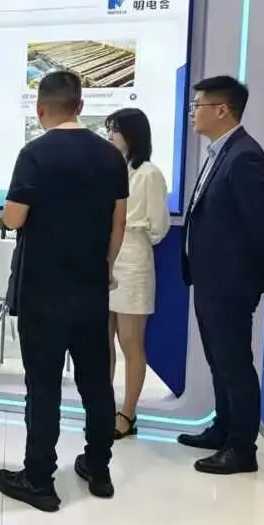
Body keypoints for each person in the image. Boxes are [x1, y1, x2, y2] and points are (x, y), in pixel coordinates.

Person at [0, 71, 128, 512]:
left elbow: (14, 218)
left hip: (42, 291)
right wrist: (105, 268)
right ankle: (99, 469)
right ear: (80, 106)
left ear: (40, 109)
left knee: (44, 386)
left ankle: (39, 479)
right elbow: (119, 221)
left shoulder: (34, 154)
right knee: (96, 383)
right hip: (90, 288)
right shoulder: (110, 156)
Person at [180, 76, 264, 475]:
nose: (193, 113)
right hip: (211, 278)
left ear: (221, 109)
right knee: (219, 361)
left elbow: (260, 224)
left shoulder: (244, 156)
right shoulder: (221, 151)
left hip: (230, 283)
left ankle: (242, 448)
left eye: (198, 106)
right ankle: (223, 429)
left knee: (235, 364)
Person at [104, 108, 170, 439]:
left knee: (131, 343)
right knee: (102, 343)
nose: (109, 136)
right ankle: (102, 406)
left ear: (132, 135)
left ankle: (127, 413)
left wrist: (129, 235)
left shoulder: (149, 174)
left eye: (114, 130)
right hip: (104, 259)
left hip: (133, 260)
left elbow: (159, 227)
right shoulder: (108, 169)